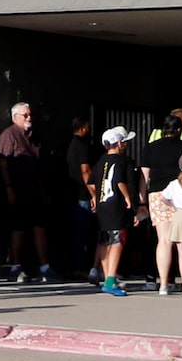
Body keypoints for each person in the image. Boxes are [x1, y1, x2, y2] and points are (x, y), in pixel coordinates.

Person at [0, 101, 51, 282]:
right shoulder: (9, 135)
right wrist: (9, 188)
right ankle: (15, 266)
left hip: (34, 190)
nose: (29, 118)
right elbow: (2, 163)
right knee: (18, 228)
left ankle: (45, 267)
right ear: (15, 117)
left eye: (29, 114)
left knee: (39, 226)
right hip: (17, 191)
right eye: (25, 115)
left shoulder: (32, 138)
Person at [142, 108, 182, 297]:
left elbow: (144, 176)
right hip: (180, 193)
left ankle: (163, 284)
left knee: (163, 240)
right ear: (179, 129)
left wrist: (142, 199)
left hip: (156, 193)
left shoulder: (150, 147)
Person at [93, 127, 145, 296]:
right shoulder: (125, 162)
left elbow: (90, 181)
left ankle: (109, 276)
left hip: (102, 204)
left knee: (104, 239)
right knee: (117, 240)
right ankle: (110, 280)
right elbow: (123, 182)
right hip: (117, 205)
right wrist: (132, 203)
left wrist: (95, 196)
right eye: (126, 142)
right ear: (119, 143)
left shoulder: (100, 161)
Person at [62, 117, 102, 281]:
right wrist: (94, 193)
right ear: (84, 128)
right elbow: (85, 170)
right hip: (83, 194)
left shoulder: (71, 144)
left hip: (74, 192)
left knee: (77, 233)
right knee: (84, 233)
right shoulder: (82, 145)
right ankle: (80, 267)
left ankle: (75, 267)